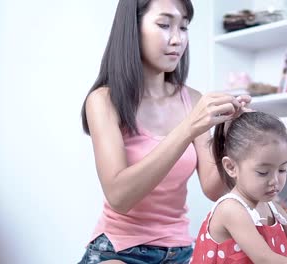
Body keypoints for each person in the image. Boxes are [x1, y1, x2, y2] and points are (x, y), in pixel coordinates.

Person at [78, 0, 251, 263]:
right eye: (164, 25)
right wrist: (188, 127)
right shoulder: (104, 101)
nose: (177, 39)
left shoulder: (192, 100)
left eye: (183, 27)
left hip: (180, 251)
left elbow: (214, 190)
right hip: (119, 251)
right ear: (133, 28)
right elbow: (119, 197)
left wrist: (227, 135)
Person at [191, 112, 287, 264]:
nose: (275, 180)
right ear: (231, 167)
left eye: (282, 169)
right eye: (263, 172)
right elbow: (265, 259)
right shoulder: (231, 209)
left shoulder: (273, 209)